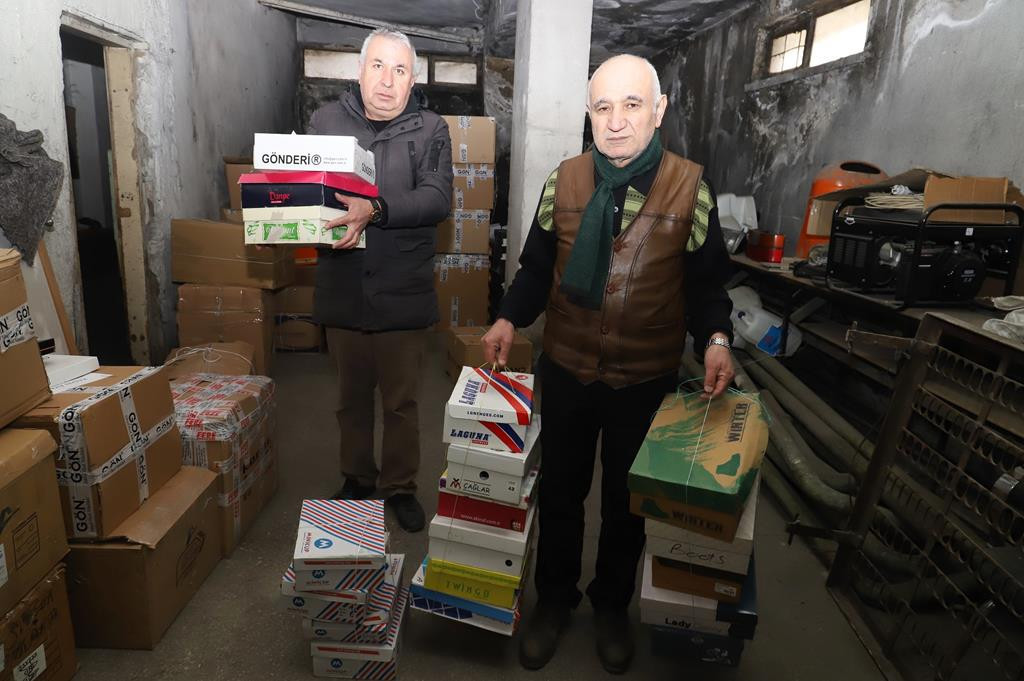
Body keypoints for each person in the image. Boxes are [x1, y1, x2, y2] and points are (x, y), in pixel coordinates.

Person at [482, 54, 736, 673]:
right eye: (602, 107)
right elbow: (536, 268)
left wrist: (717, 339)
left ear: (659, 110)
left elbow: (706, 285)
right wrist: (508, 317)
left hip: (644, 378)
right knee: (562, 491)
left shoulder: (691, 189)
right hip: (568, 367)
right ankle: (554, 600)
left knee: (627, 502)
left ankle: (611, 606)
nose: (616, 121)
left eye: (631, 105)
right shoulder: (563, 181)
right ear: (588, 114)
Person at [308, 27, 453, 532]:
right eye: (378, 66)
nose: (387, 81)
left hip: (402, 287)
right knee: (350, 399)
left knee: (401, 402)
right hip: (344, 283)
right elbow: (303, 190)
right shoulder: (325, 122)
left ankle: (399, 486)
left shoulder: (431, 129)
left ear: (412, 79)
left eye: (399, 70)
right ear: (359, 70)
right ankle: (357, 478)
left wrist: (376, 209)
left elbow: (437, 198)